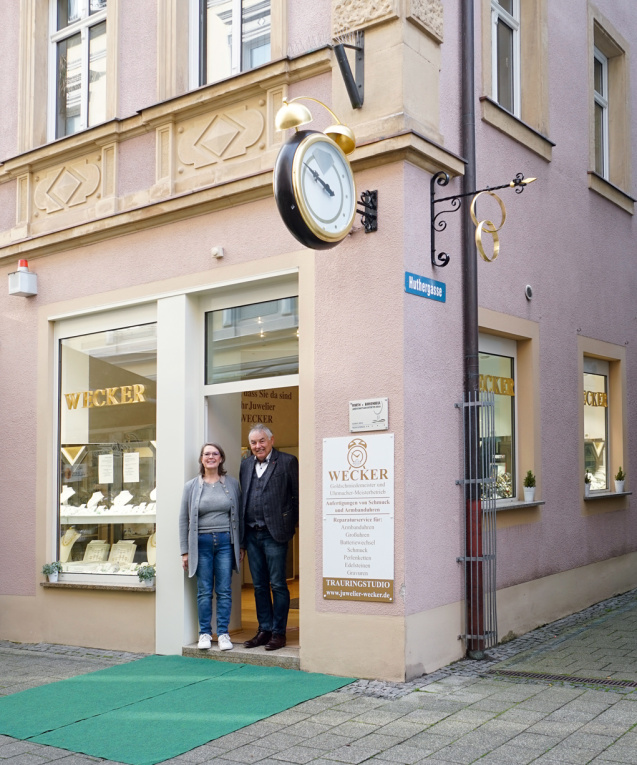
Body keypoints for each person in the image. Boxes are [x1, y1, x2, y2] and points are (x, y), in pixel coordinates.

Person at [240, 424, 299, 651]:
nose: (258, 446)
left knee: (278, 585)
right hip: (252, 533)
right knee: (259, 586)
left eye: (262, 441)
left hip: (275, 534)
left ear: (271, 440)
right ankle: (263, 630)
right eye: (254, 443)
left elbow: (296, 497)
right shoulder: (245, 465)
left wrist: (289, 525)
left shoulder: (287, 462)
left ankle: (278, 632)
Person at [179, 443, 242, 651]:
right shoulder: (191, 486)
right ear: (201, 459)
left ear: (221, 458)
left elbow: (239, 517)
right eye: (207, 454)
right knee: (204, 591)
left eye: (215, 454)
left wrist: (239, 545)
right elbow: (183, 520)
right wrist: (185, 551)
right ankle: (204, 633)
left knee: (224, 590)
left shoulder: (232, 484)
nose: (211, 457)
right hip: (201, 544)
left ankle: (223, 633)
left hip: (225, 542)